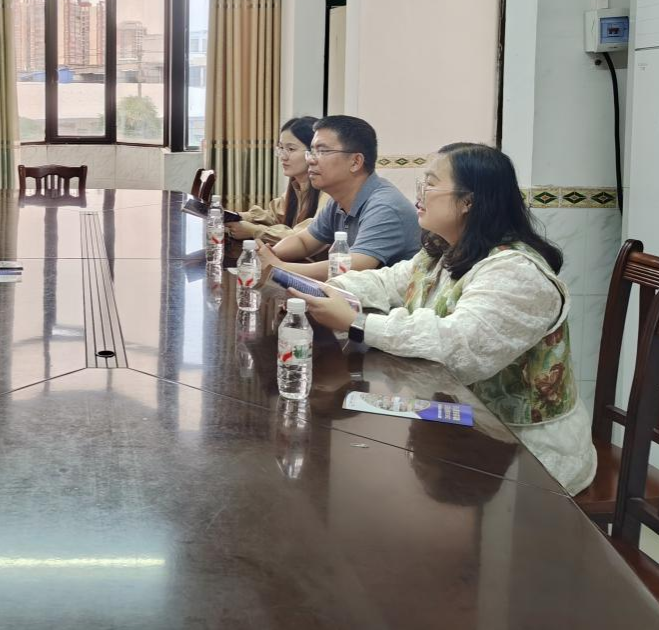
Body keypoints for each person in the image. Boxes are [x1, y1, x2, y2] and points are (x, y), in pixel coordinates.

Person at [298, 142, 597, 495]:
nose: (419, 193)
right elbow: (386, 282)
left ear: (468, 201)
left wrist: (358, 323)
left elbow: (459, 348)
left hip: (524, 453)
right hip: (461, 427)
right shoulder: (444, 251)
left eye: (430, 183)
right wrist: (331, 290)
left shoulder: (516, 273)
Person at [258, 115, 420, 281]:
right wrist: (267, 254)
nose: (311, 160)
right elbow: (304, 242)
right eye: (311, 151)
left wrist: (279, 267)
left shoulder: (384, 206)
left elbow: (353, 267)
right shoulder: (337, 201)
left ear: (355, 162)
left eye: (322, 151)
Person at [226, 116, 325, 245]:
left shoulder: (328, 192)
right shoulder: (297, 185)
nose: (283, 156)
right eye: (281, 148)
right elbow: (274, 215)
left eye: (291, 149)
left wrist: (254, 231)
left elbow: (303, 237)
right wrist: (235, 216)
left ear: (313, 152)